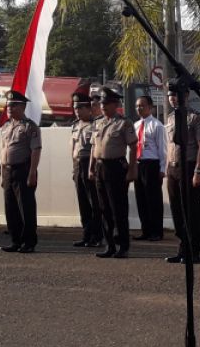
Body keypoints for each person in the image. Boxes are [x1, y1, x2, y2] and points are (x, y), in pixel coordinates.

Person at [90, 87, 137, 258]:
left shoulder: (124, 123)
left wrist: (132, 169)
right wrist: (91, 167)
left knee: (118, 208)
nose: (103, 106)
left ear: (116, 104)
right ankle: (109, 245)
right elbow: (94, 147)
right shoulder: (97, 122)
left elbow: (133, 147)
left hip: (116, 168)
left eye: (107, 103)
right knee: (104, 208)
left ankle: (123, 246)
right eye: (102, 103)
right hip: (100, 167)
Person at [165, 88, 200, 264]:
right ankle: (182, 248)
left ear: (186, 96)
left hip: (189, 167)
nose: (173, 98)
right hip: (173, 168)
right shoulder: (170, 118)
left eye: (177, 94)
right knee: (176, 211)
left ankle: (194, 250)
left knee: (191, 211)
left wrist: (198, 170)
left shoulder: (196, 117)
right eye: (171, 95)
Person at [0, 90, 41, 253]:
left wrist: (32, 173)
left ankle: (29, 242)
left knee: (26, 207)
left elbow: (36, 150)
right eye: (8, 105)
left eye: (13, 105)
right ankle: (15, 240)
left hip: (23, 170)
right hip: (8, 170)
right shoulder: (6, 126)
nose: (9, 107)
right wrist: (2, 173)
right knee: (11, 208)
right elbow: (2, 150)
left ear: (22, 106)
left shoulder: (30, 126)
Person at [69, 92, 102, 248]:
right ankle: (86, 235)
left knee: (94, 203)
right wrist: (73, 169)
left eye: (80, 108)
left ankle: (97, 236)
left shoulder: (97, 124)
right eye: (75, 108)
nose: (77, 111)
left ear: (89, 109)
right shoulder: (75, 125)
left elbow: (97, 149)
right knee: (83, 203)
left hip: (90, 165)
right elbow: (73, 148)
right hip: (78, 166)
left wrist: (93, 168)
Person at [133, 95, 167, 242]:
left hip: (152, 164)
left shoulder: (157, 125)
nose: (139, 108)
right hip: (139, 164)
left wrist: (162, 169)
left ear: (150, 107)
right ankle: (145, 230)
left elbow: (163, 149)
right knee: (141, 199)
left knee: (153, 200)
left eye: (142, 105)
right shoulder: (135, 125)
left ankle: (156, 231)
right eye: (137, 106)